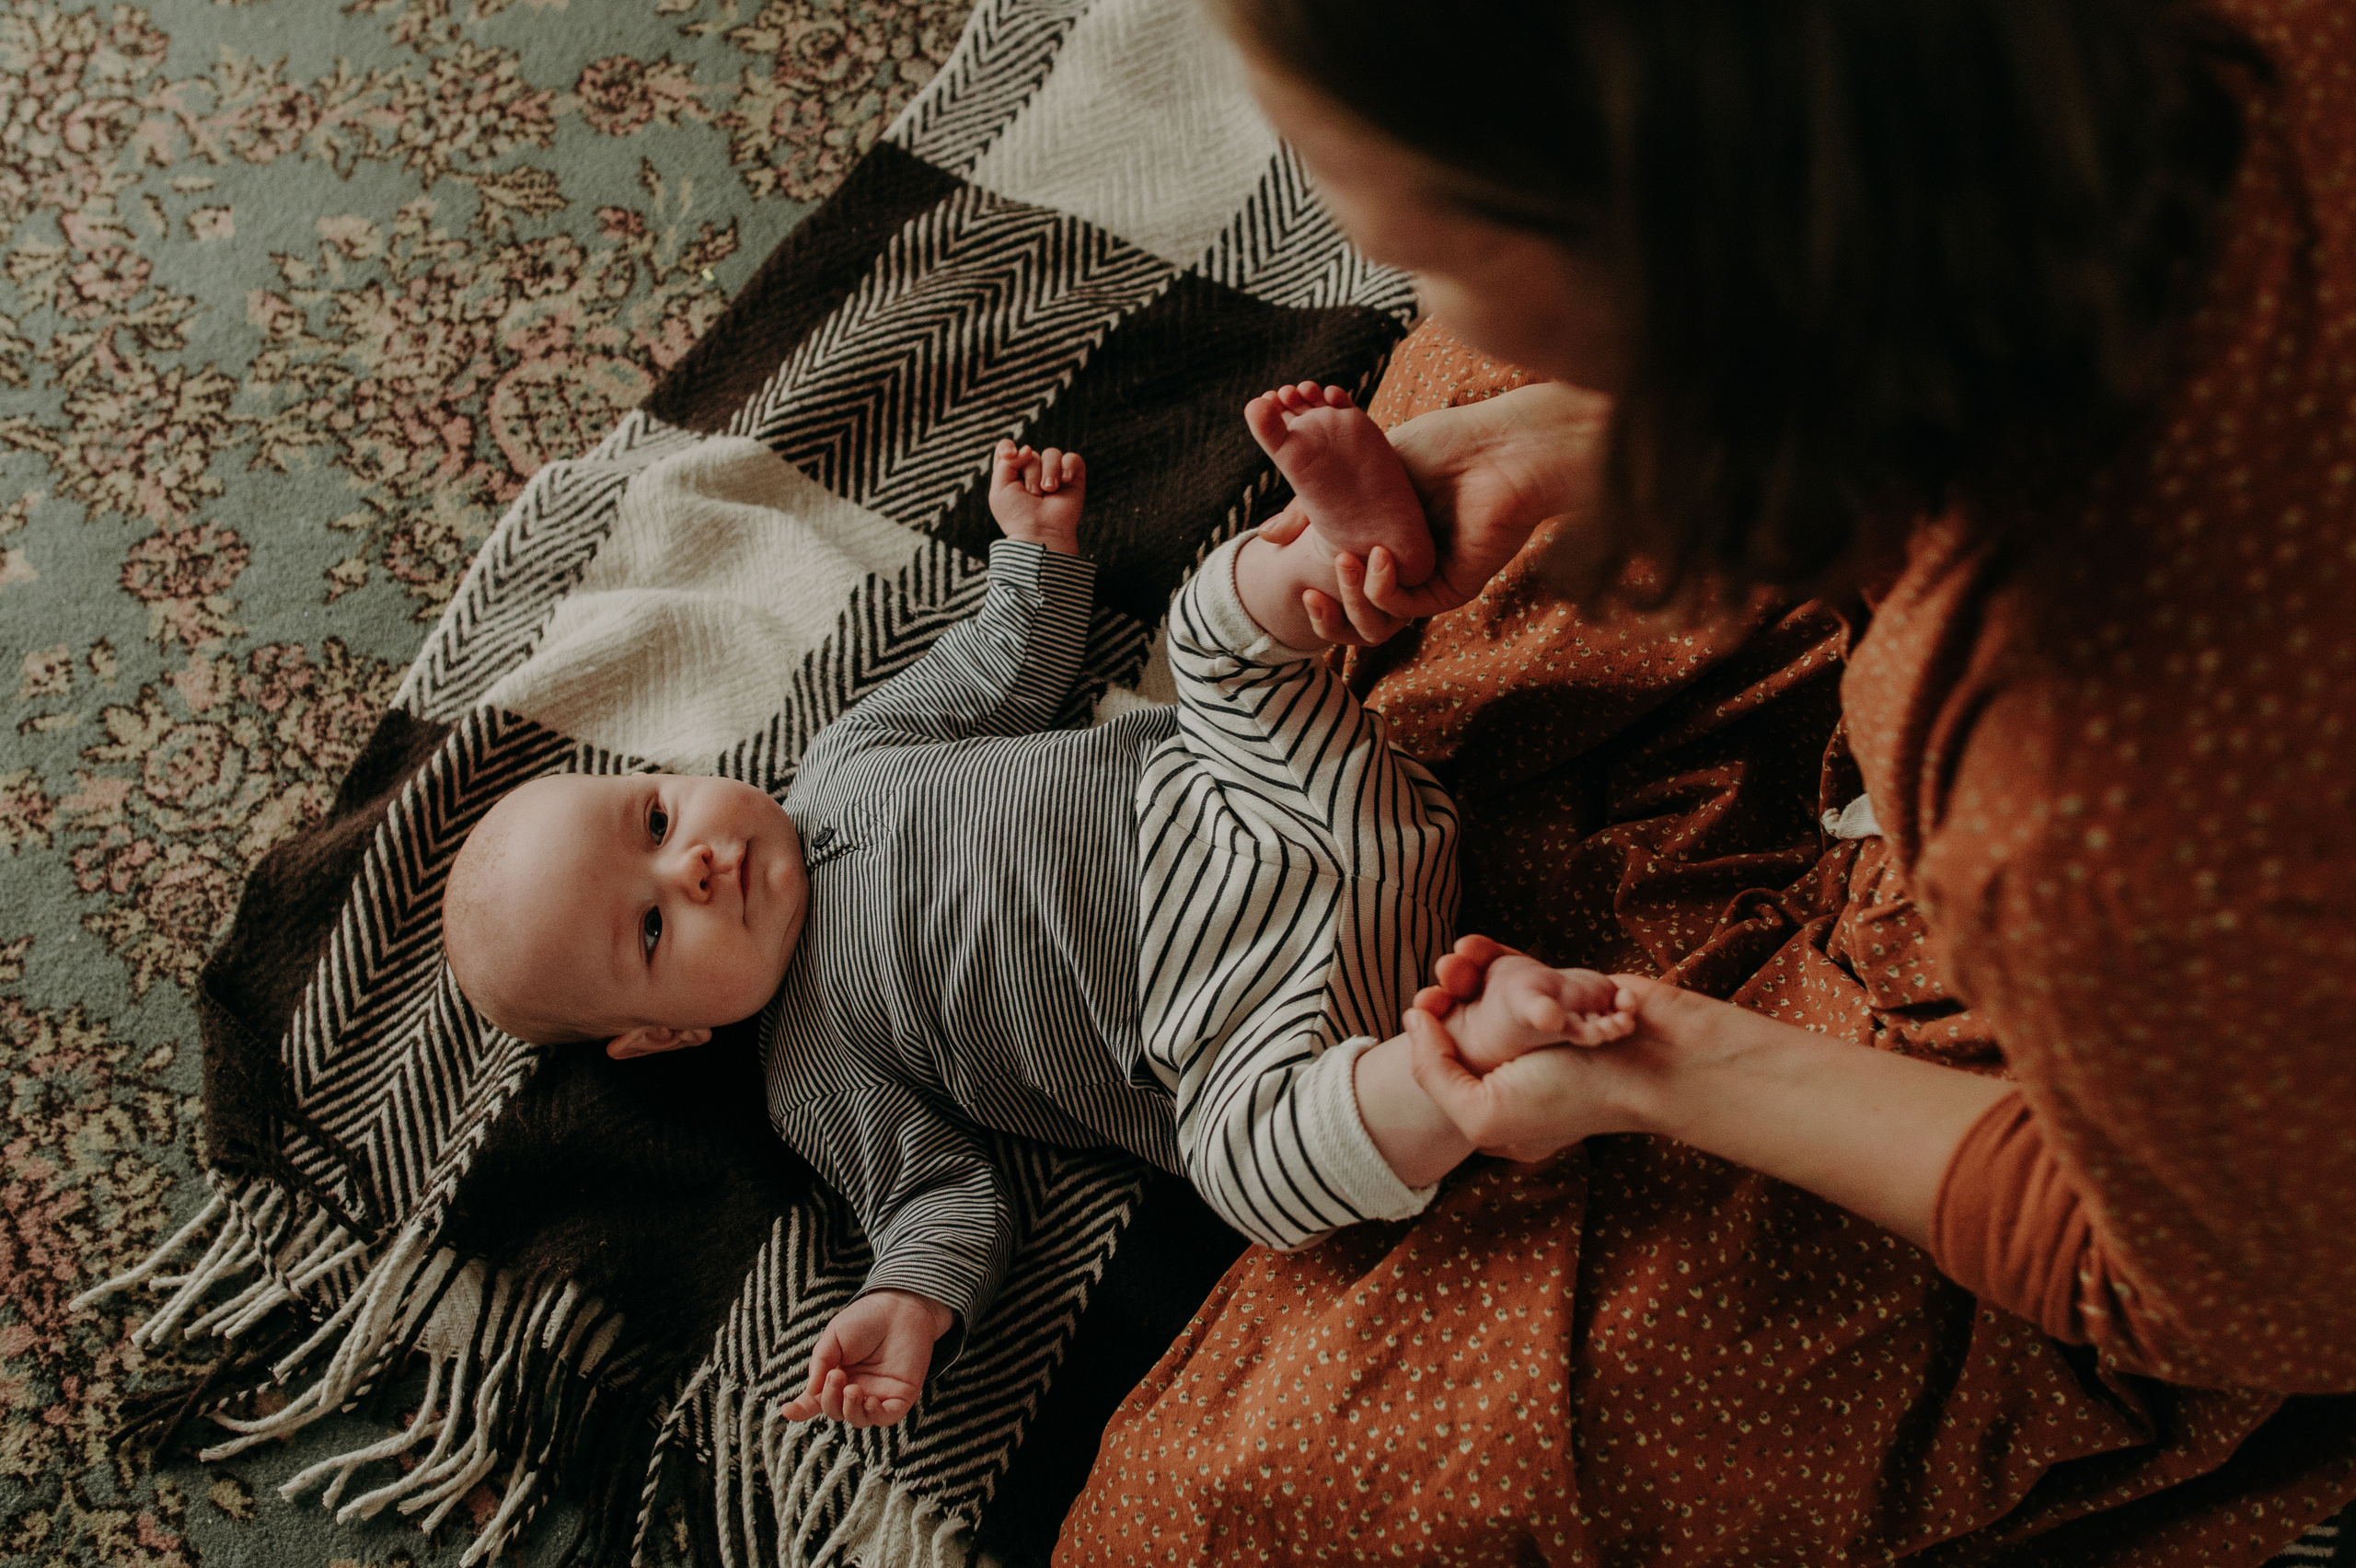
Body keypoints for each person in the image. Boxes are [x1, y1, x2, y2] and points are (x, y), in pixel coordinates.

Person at [1052, 0, 2356, 1562]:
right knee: (1435, 486)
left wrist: (1659, 1064)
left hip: (2210, 1159)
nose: (1393, 283)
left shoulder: (2087, 800)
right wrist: (1593, 428)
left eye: (1410, 230)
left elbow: (2252, 1299)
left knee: (1222, 1523)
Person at [442, 393, 1634, 1427]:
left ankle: (1350, 543)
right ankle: (1463, 1061)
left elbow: (1008, 663)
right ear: (664, 1037)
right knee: (1252, 1176)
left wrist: (1035, 551)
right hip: (1268, 1025)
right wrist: (905, 1305)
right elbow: (937, 1199)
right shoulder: (815, 1070)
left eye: (654, 822)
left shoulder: (849, 755)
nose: (692, 869)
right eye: (651, 931)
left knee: (1212, 633)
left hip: (1261, 789)